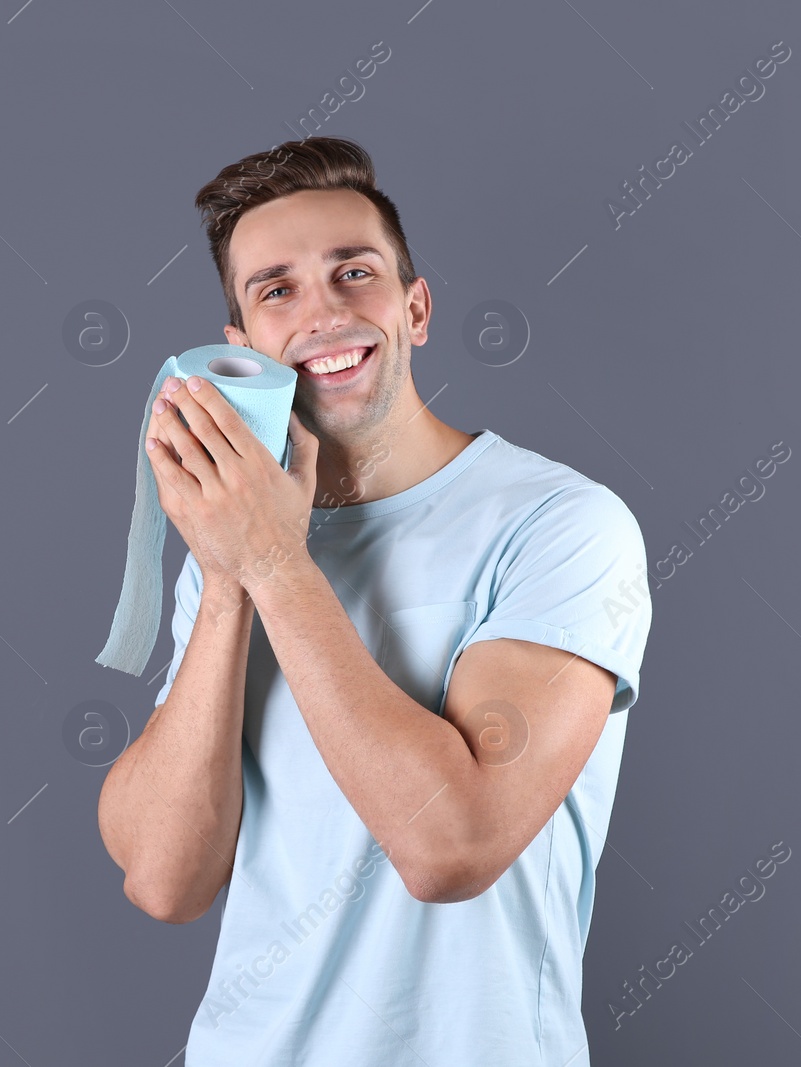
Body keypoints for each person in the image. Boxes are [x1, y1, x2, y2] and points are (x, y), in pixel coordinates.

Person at [97, 136, 654, 1066]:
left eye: (352, 272)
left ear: (416, 307)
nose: (322, 313)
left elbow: (452, 843)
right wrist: (233, 576)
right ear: (241, 351)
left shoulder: (562, 525)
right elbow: (164, 876)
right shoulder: (237, 543)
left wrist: (276, 564)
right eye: (276, 290)